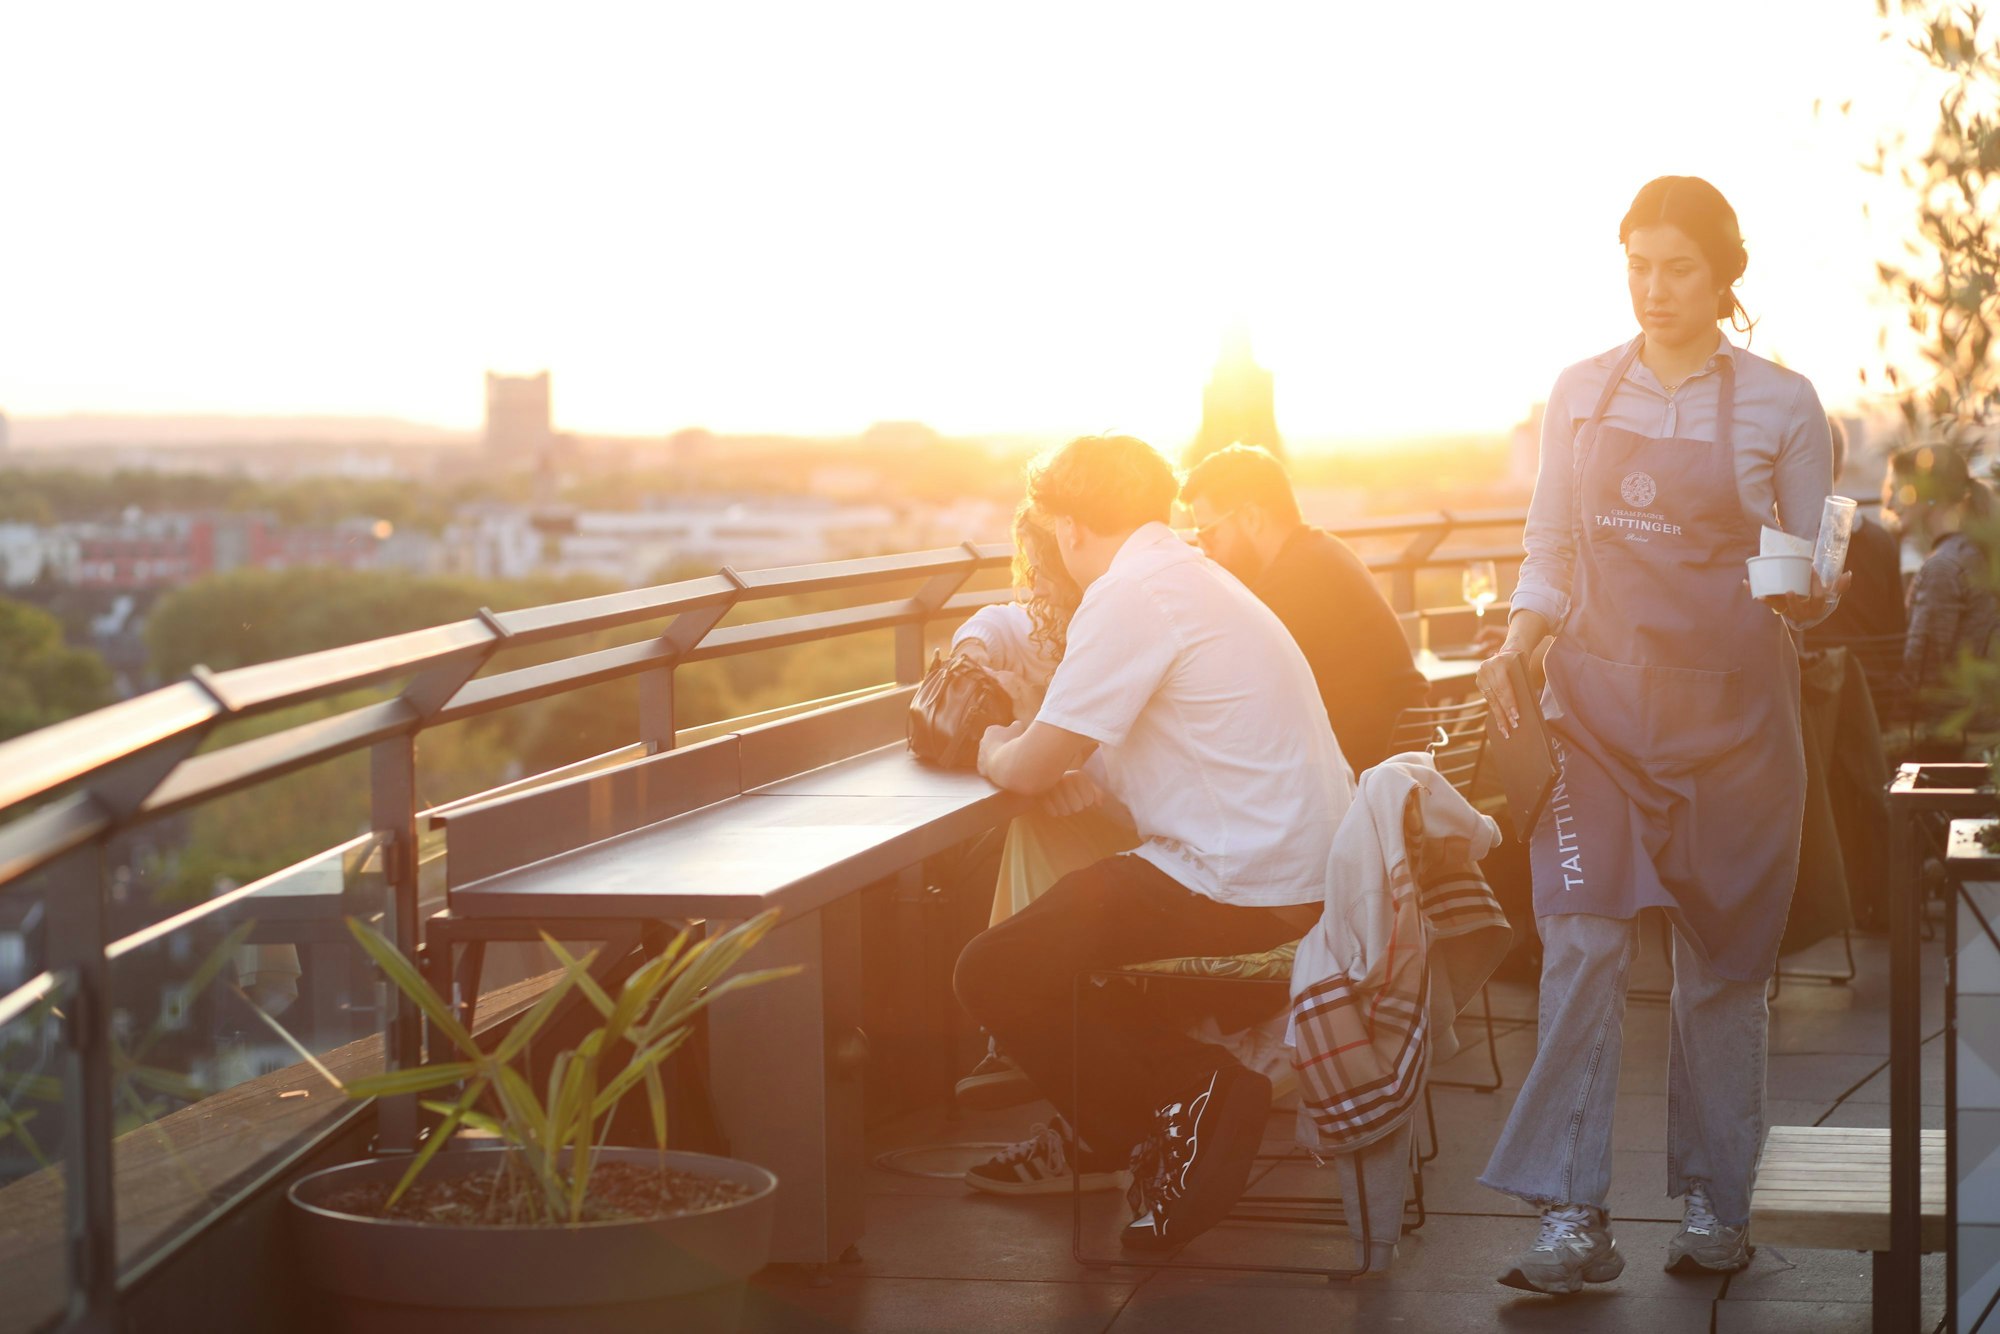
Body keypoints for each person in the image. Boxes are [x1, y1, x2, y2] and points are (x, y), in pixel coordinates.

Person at [1474, 176, 1845, 1294]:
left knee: (1720, 967)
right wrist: (1516, 633)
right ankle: (1569, 1218)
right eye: (1634, 263)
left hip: (1734, 724)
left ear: (1723, 274)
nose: (1651, 288)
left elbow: (1803, 571)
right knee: (1579, 940)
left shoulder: (1783, 404)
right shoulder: (1580, 392)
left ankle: (1713, 1200)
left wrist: (1811, 582)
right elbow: (1548, 544)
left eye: (1674, 266)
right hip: (1593, 712)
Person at [953, 433, 1352, 1252]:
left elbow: (1024, 768)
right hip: (1296, 872)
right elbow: (1136, 743)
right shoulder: (1189, 576)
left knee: (992, 970)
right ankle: (1151, 1126)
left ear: (1065, 526)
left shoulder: (1127, 593)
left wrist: (994, 742)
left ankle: (1199, 1095)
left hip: (1237, 885)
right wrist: (1061, 751)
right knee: (1060, 953)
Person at [1180, 445, 1430, 772]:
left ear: (1252, 518)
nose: (1206, 550)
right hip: (1398, 770)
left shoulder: (1293, 581)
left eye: (1209, 533)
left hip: (1366, 783)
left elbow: (1225, 688)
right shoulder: (1321, 552)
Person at [1887, 443, 1998, 732]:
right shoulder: (1974, 551)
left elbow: (1922, 674)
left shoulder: (1943, 567)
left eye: (1898, 491)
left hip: (1953, 733)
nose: (1889, 505)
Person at [1814, 415, 1906, 643]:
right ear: (1842, 466)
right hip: (1875, 672)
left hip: (1812, 674)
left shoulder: (1784, 539)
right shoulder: (1882, 540)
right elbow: (1897, 625)